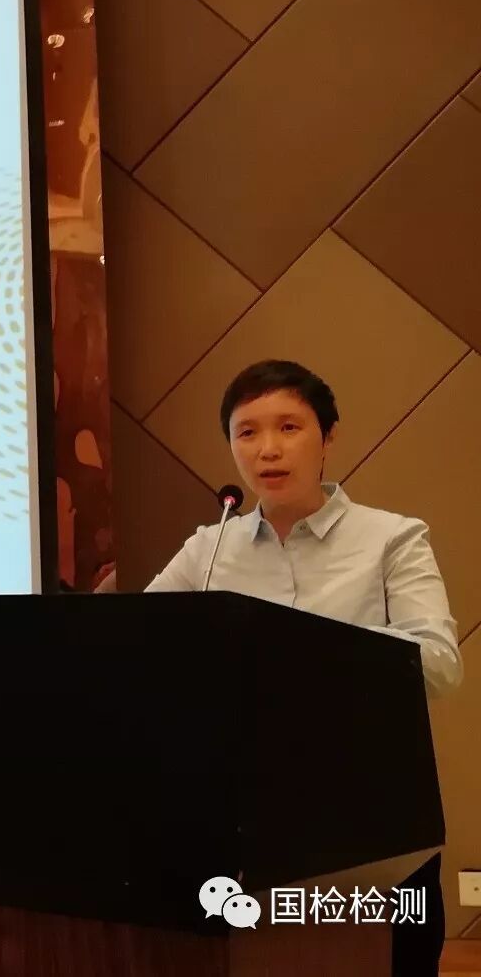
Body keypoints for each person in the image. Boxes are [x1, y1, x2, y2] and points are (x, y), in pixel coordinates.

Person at [144, 358, 462, 975]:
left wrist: (310, 651)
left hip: (373, 823)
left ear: (328, 437)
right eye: (247, 432)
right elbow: (144, 650)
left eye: (289, 427)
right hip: (244, 824)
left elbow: (440, 665)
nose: (268, 449)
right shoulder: (208, 548)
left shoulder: (392, 539)